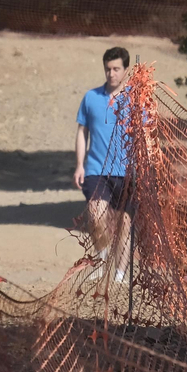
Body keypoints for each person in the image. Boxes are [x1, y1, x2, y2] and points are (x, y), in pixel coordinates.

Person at [73, 46, 134, 272]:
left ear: (125, 69)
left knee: (123, 223)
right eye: (108, 69)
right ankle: (101, 263)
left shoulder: (136, 101)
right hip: (96, 169)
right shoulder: (91, 98)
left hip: (126, 171)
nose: (112, 74)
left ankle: (120, 273)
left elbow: (147, 134)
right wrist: (80, 165)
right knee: (96, 216)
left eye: (116, 69)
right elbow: (82, 132)